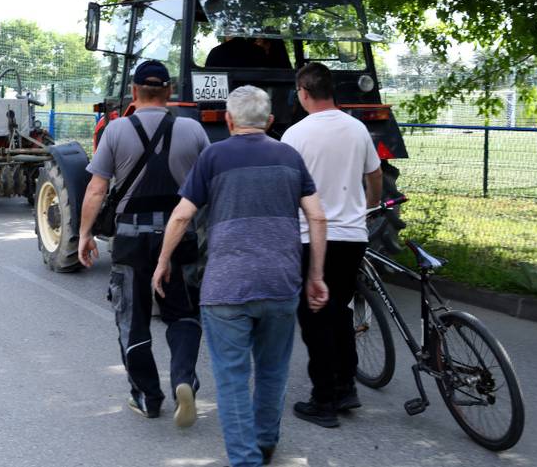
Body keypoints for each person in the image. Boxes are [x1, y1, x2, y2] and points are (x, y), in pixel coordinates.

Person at [154, 85, 328, 467]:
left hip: (226, 288)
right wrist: (315, 275)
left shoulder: (214, 157)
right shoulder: (290, 156)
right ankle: (266, 441)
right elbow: (317, 216)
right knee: (272, 370)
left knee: (232, 379)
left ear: (229, 121)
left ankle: (245, 459)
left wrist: (164, 260)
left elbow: (183, 215)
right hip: (281, 284)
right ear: (268, 121)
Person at [78, 59, 210, 427]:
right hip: (179, 235)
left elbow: (96, 188)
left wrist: (85, 234)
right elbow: (208, 190)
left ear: (134, 93)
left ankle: (147, 397)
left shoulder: (116, 131)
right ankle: (184, 378)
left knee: (132, 319)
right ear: (169, 92)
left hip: (132, 238)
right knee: (182, 314)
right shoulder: (193, 131)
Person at [281, 62, 382, 428]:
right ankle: (345, 387)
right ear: (331, 91)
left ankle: (324, 400)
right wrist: (369, 207)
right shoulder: (358, 129)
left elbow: (285, 188)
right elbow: (374, 174)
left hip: (312, 238)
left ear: (303, 93)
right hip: (354, 237)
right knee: (339, 310)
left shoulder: (294, 135)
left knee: (314, 319)